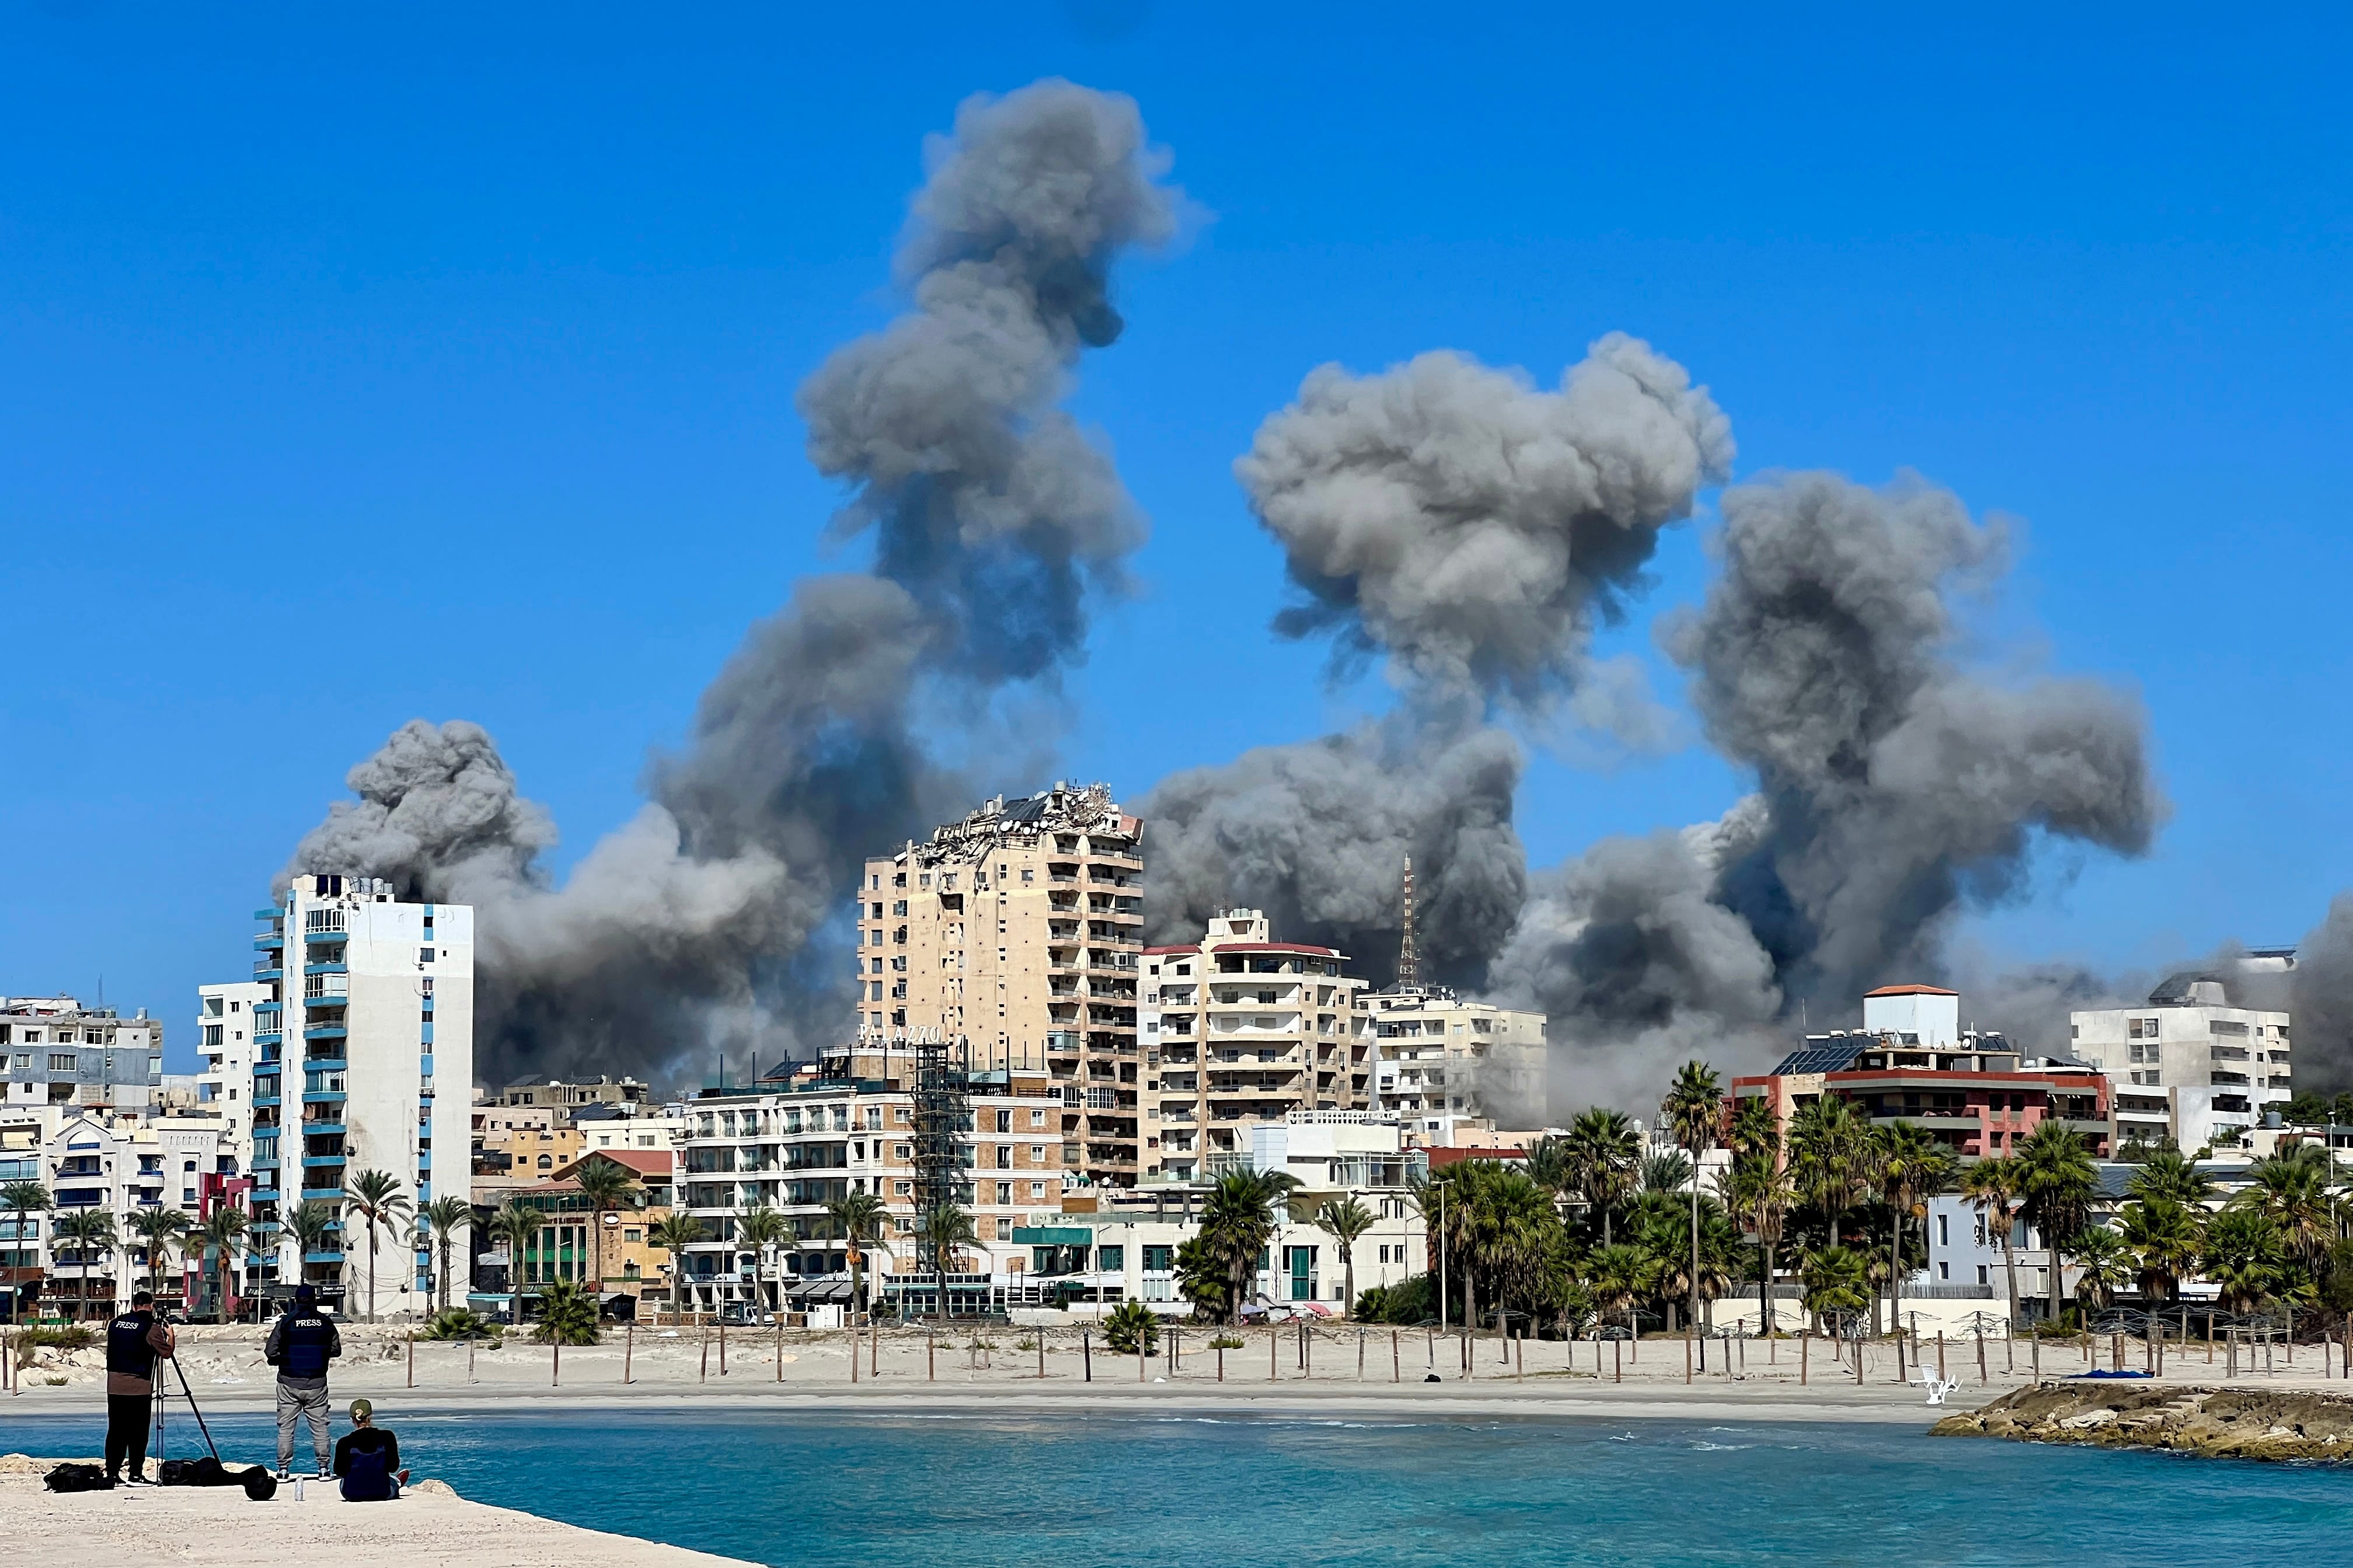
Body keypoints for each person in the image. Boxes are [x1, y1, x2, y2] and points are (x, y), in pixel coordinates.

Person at [264, 1283, 341, 1481]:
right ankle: (324, 1469)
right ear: (315, 1300)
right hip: (317, 1383)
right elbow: (336, 1350)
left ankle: (283, 1470)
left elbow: (270, 1352)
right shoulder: (325, 1322)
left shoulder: (287, 1322)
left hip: (288, 1382)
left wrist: (282, 1360)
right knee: (320, 1427)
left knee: (286, 1428)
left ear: (296, 1300)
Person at [103, 1290, 175, 1485]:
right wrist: (170, 1335)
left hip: (114, 1385)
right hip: (139, 1387)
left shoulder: (115, 1324)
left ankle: (112, 1474)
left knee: (116, 1432)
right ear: (151, 1306)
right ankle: (135, 1474)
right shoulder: (151, 1327)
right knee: (138, 1432)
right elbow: (166, 1353)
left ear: (134, 1306)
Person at [332, 1398, 409, 1501]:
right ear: (371, 1416)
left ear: (352, 1420)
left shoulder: (344, 1442)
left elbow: (340, 1472)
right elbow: (393, 1467)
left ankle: (395, 1481)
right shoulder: (387, 1436)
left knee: (343, 1482)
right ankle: (397, 1481)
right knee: (392, 1483)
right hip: (382, 1493)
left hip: (352, 1494)